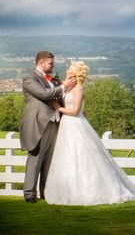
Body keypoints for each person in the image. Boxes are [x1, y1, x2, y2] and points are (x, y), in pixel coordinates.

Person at [44, 60, 135, 205]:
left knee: (82, 157)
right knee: (68, 155)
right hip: (67, 125)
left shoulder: (78, 89)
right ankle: (69, 189)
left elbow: (76, 111)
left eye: (70, 69)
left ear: (75, 72)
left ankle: (88, 190)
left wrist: (58, 107)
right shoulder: (70, 88)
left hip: (75, 124)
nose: (67, 70)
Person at [20, 50, 77, 203]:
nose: (53, 65)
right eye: (51, 63)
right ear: (41, 63)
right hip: (39, 124)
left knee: (50, 160)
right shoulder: (29, 78)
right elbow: (44, 94)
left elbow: (60, 96)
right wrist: (64, 86)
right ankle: (29, 194)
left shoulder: (54, 80)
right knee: (35, 159)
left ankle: (45, 193)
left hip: (56, 123)